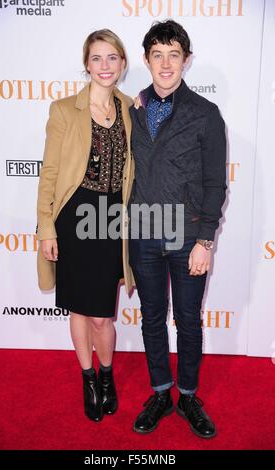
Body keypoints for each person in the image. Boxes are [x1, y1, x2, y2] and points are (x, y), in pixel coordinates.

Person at [128, 20, 226, 438]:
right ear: (147, 60)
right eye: (157, 55)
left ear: (186, 61)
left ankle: (188, 395)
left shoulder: (205, 114)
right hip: (141, 232)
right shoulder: (130, 109)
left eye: (174, 55)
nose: (165, 64)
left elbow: (214, 183)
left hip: (187, 235)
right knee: (151, 317)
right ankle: (161, 392)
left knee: (187, 318)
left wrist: (205, 240)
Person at [36, 29, 134, 422]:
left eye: (112, 58)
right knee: (80, 309)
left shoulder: (132, 109)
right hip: (74, 219)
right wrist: (46, 228)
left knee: (102, 315)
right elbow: (50, 174)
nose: (105, 66)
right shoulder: (63, 110)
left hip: (112, 220)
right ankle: (89, 378)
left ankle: (107, 376)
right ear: (86, 64)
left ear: (123, 64)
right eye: (97, 58)